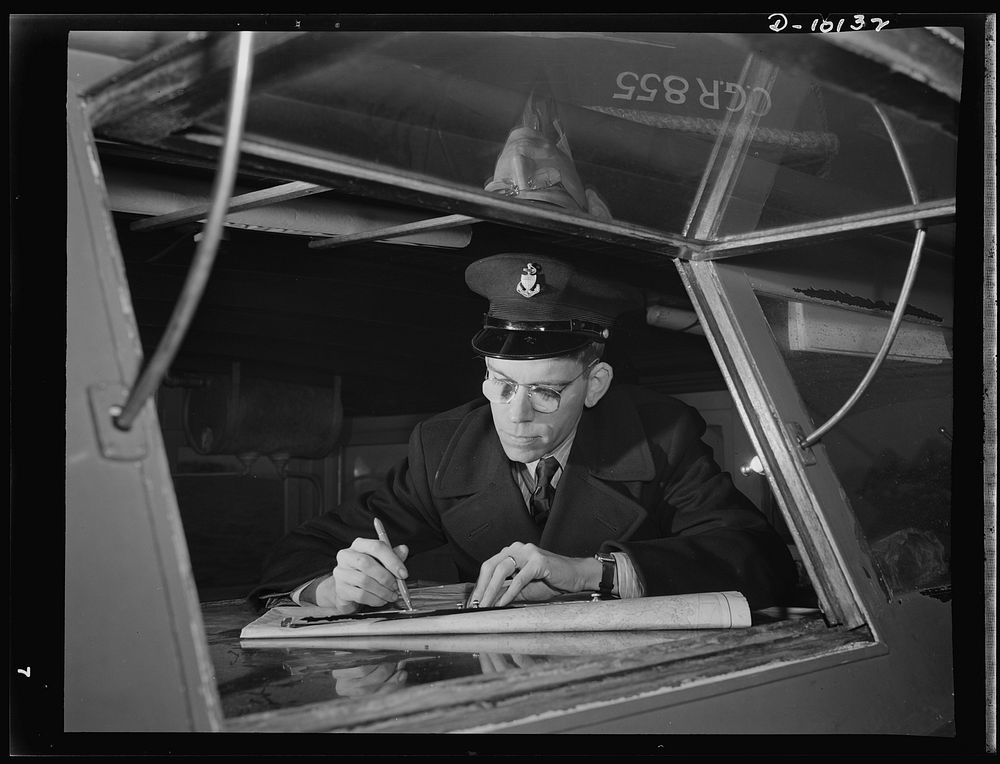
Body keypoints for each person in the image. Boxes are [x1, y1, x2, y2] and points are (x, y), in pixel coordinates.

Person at [250, 253, 798, 613]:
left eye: (546, 392)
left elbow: (758, 559)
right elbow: (299, 552)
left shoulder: (662, 436)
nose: (515, 416)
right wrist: (332, 586)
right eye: (502, 384)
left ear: (596, 383)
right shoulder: (443, 449)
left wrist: (590, 573)